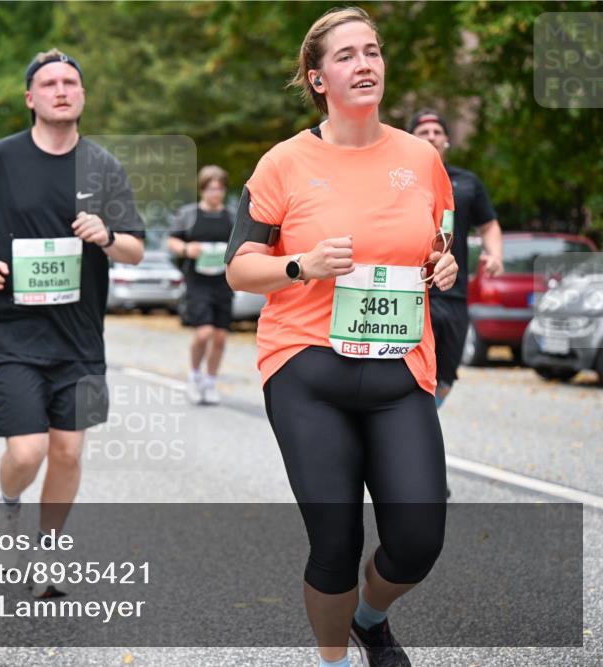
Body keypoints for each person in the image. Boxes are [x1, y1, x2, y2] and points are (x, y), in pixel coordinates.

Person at [224, 8, 459, 667]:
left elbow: (438, 245)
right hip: (306, 367)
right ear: (318, 77)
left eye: (373, 51)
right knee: (335, 538)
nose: (365, 64)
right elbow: (239, 267)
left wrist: (443, 265)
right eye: (347, 55)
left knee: (418, 538)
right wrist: (300, 264)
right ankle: (334, 658)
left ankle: (369, 617)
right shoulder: (284, 163)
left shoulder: (422, 159)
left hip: (399, 366)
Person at [0, 48, 145, 598]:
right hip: (12, 329)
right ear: (30, 98)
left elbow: (134, 248)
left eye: (70, 82)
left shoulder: (103, 167)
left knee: (67, 452)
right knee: (27, 451)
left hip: (80, 337)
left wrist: (106, 235)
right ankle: (8, 506)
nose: (61, 90)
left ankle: (48, 555)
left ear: (82, 95)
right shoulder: (2, 158)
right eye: (49, 83)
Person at [408, 109, 503, 407]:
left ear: (447, 140)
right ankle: (405, 426)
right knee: (405, 368)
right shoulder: (399, 179)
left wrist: (495, 255)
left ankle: (423, 416)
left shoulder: (467, 182)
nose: (432, 136)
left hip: (453, 294)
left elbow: (488, 225)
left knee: (446, 374)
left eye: (437, 131)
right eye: (424, 132)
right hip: (410, 291)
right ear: (411, 140)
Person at [168, 165, 235, 405]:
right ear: (202, 190)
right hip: (197, 282)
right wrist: (187, 249)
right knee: (203, 332)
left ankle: (210, 381)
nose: (215, 193)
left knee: (220, 337)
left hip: (223, 281)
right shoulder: (189, 214)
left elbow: (241, 244)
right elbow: (172, 240)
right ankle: (194, 376)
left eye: (219, 189)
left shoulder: (231, 216)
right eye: (211, 189)